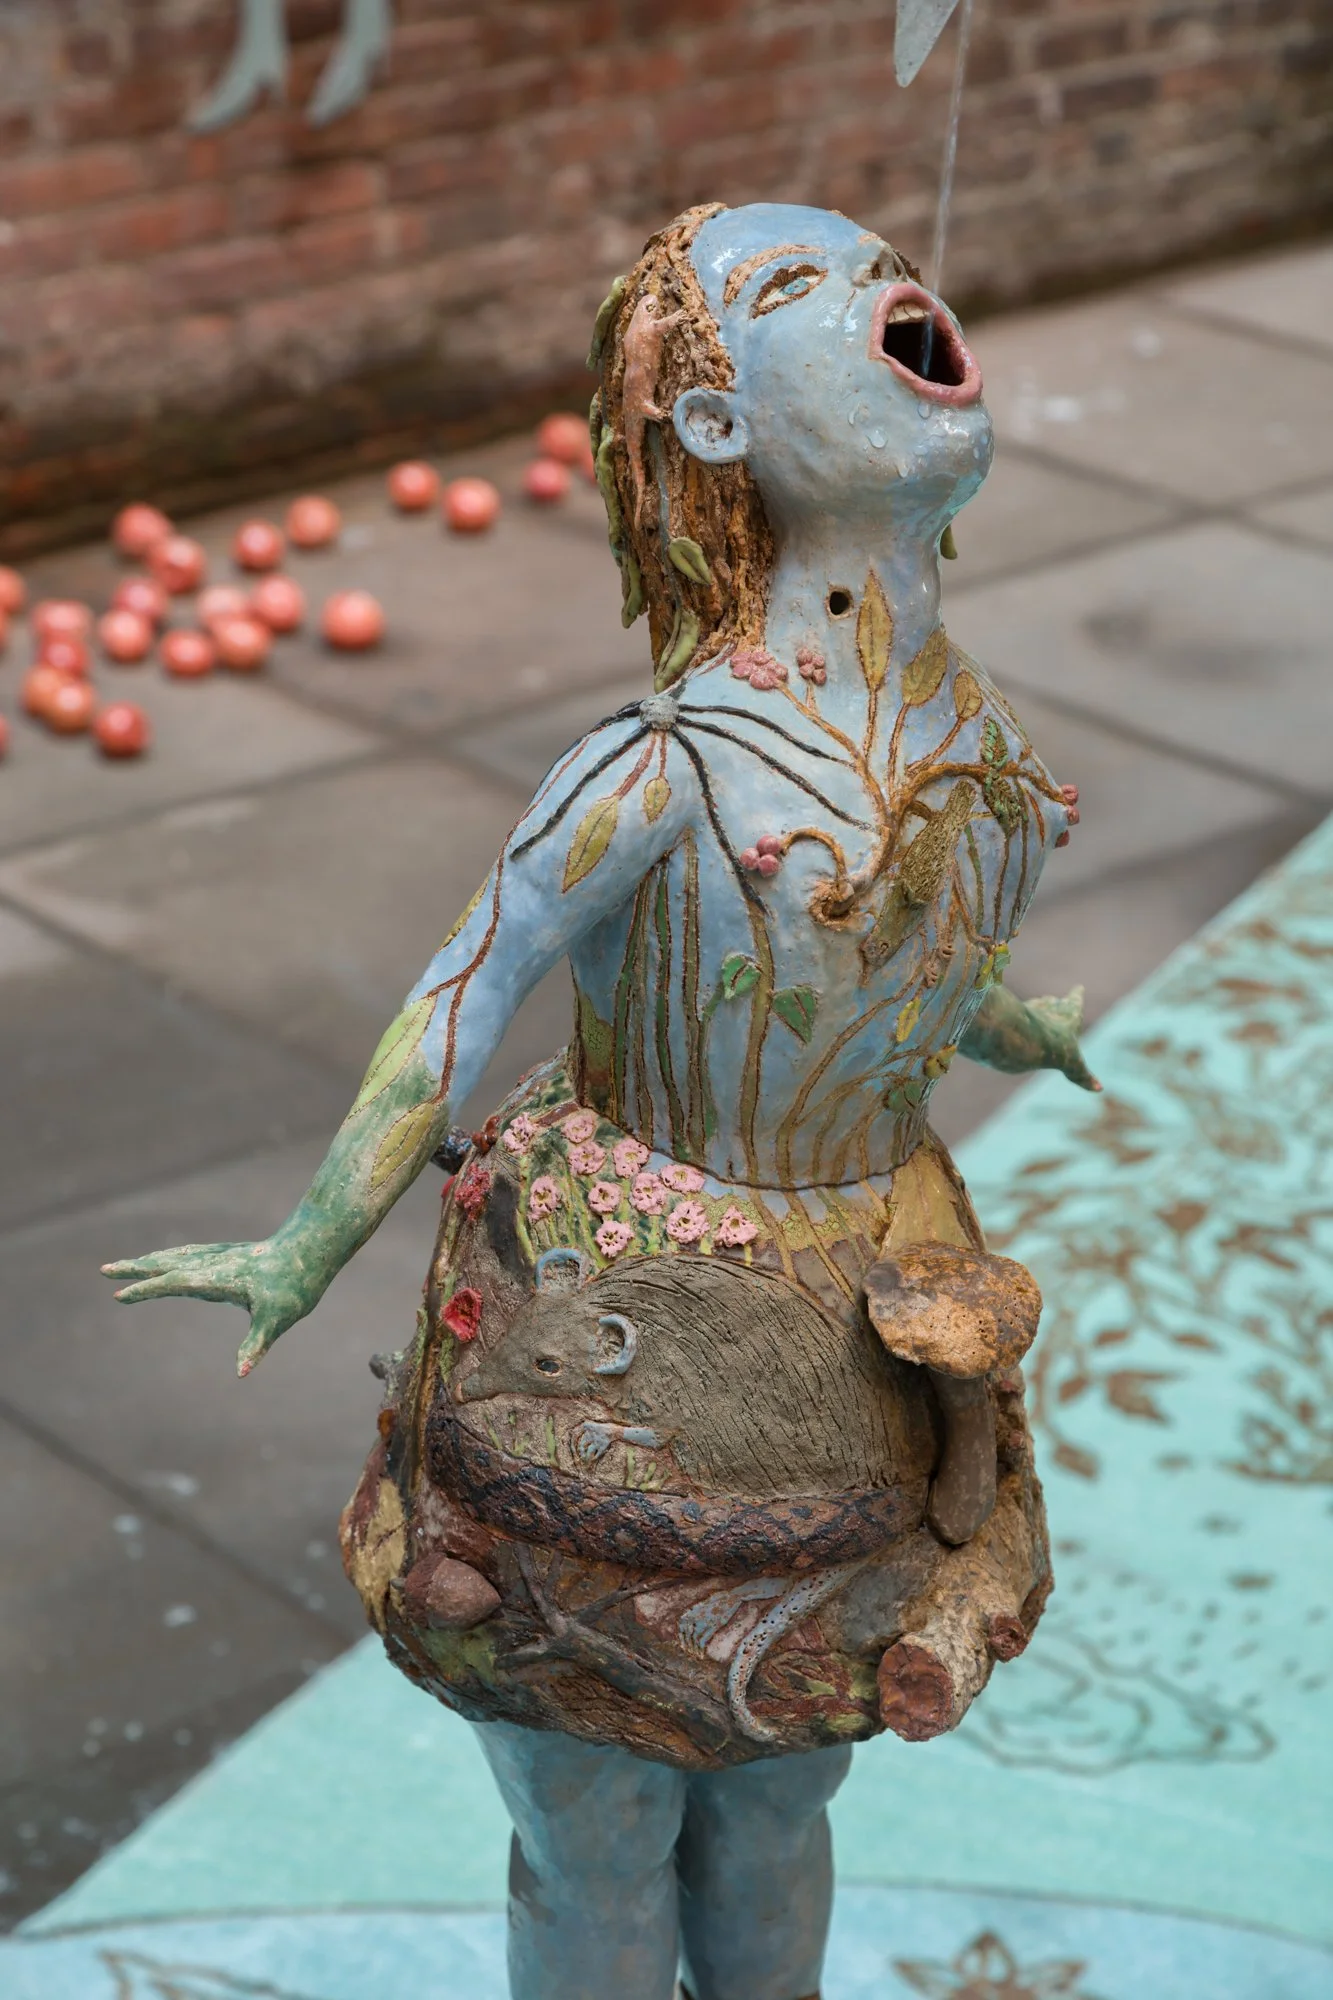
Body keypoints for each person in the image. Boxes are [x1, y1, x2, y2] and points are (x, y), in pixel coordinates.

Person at [107, 202, 1094, 2000]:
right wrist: (305, 1244)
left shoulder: (987, 751)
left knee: (784, 1806)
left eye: (877, 263)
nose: (881, 290)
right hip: (611, 1350)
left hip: (859, 1343)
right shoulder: (664, 766)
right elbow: (462, 993)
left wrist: (1019, 1021)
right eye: (796, 289)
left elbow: (923, 969)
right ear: (715, 426)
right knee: (596, 1826)